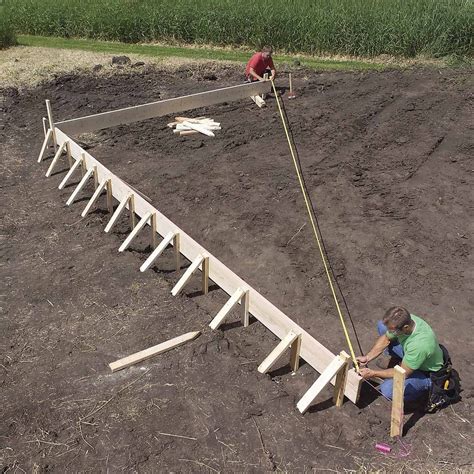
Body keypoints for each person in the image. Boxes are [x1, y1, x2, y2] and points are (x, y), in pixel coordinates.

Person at [357, 306, 444, 402]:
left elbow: (402, 373)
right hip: (412, 354)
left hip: (426, 373)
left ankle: (421, 390)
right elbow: (386, 338)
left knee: (387, 389)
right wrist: (367, 357)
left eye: (392, 330)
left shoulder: (419, 345)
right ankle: (401, 361)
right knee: (382, 325)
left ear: (406, 328)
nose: (390, 332)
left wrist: (373, 373)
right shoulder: (407, 320)